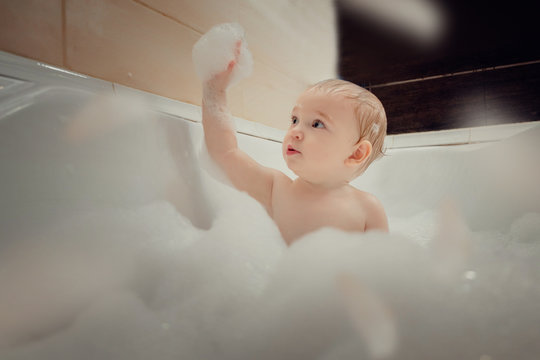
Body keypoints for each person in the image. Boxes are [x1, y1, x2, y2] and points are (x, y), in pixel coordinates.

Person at [202, 42, 388, 245]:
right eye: (295, 120)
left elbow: (381, 267)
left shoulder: (368, 209)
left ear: (356, 154)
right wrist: (214, 91)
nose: (295, 131)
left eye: (317, 124)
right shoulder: (276, 189)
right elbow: (225, 153)